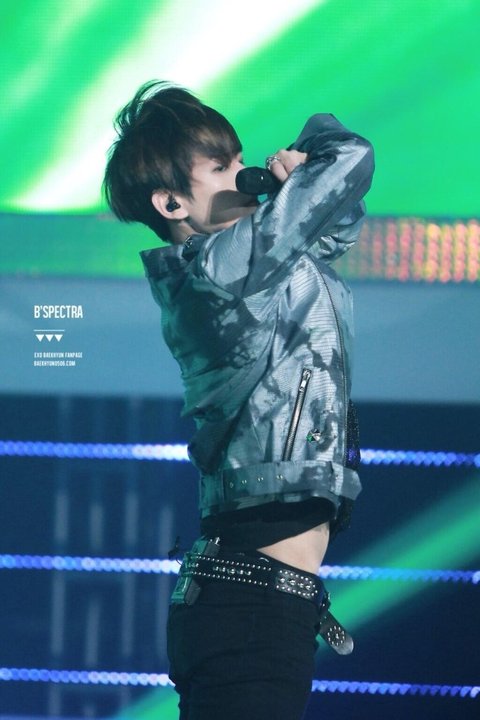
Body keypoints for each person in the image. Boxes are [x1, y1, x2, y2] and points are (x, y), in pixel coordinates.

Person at [104, 80, 374, 720]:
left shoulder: (249, 265)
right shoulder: (217, 272)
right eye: (223, 167)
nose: (244, 175)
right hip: (250, 606)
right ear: (171, 202)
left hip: (260, 601)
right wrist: (311, 155)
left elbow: (333, 227)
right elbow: (351, 160)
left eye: (240, 159)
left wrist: (292, 179)